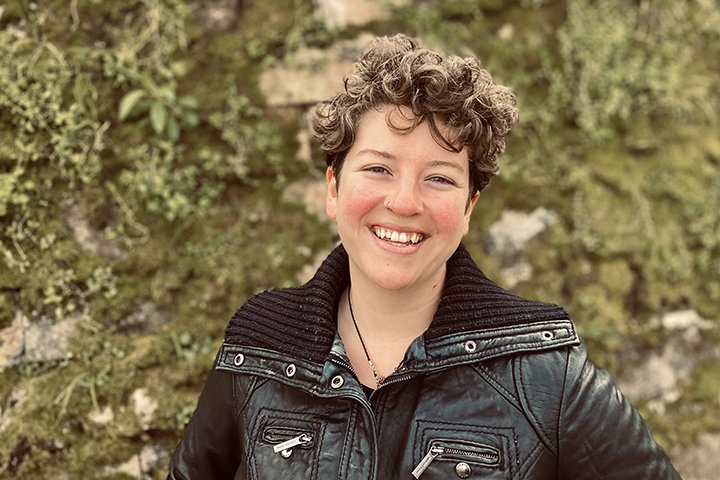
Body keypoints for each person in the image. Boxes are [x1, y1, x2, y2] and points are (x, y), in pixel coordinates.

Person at [168, 34, 680, 479]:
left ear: (468, 206)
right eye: (378, 169)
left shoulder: (543, 373)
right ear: (333, 187)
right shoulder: (260, 345)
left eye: (439, 178)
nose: (405, 202)